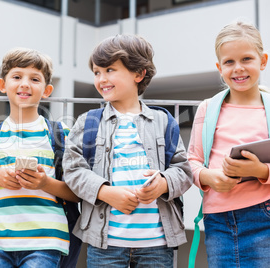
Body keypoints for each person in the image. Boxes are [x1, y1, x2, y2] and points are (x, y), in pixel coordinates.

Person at [62, 34, 192, 267]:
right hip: (105, 245)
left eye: (110, 70)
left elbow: (183, 169)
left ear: (139, 74)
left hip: (157, 244)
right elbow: (72, 169)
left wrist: (163, 182)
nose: (102, 79)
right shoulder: (88, 122)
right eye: (96, 72)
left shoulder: (163, 121)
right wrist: (105, 192)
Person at [0, 47, 79, 268]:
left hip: (47, 241)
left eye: (34, 79)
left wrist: (45, 183)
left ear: (46, 90)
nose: (25, 84)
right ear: (2, 85)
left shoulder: (61, 134)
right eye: (17, 77)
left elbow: (76, 194)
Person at [188, 21, 270, 267]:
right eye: (229, 62)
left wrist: (260, 171)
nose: (238, 68)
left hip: (263, 216)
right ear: (219, 67)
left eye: (247, 59)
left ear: (263, 61)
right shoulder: (207, 109)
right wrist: (209, 177)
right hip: (218, 221)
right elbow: (191, 161)